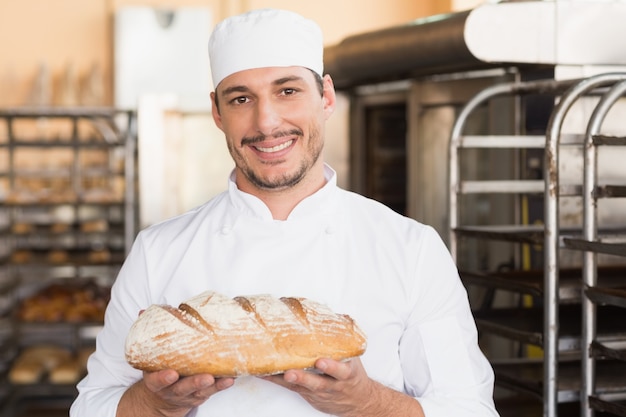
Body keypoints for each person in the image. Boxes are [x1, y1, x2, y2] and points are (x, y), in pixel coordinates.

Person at [70, 8, 499, 417]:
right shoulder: (158, 251)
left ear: (326, 97)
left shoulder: (411, 249)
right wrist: (155, 405)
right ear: (217, 113)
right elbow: (89, 407)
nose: (266, 121)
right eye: (241, 99)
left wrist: (366, 403)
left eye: (287, 91)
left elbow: (471, 409)